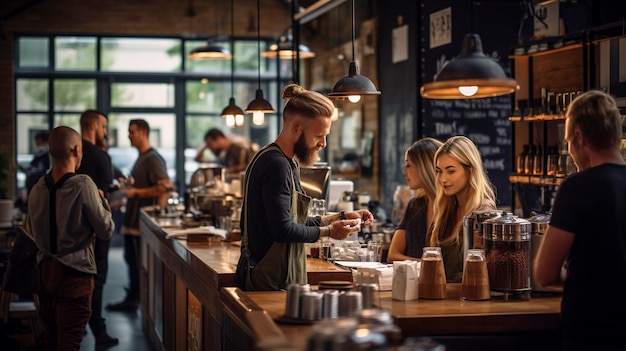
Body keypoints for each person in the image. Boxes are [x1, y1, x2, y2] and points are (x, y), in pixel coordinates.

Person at [235, 84, 374, 291]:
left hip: (277, 279)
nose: (324, 144)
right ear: (297, 128)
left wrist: (340, 217)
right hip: (267, 282)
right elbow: (283, 230)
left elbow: (295, 220)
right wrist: (329, 231)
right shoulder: (276, 165)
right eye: (319, 135)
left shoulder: (288, 162)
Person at [534, 90, 626, 350]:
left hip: (591, 332)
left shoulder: (578, 187)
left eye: (567, 143)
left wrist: (579, 277)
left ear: (579, 137)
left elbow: (544, 273)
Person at [24, 126, 114, 350]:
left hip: (44, 275)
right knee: (70, 341)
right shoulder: (83, 184)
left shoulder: (37, 188)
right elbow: (105, 229)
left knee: (52, 338)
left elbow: (31, 231)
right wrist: (102, 201)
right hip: (76, 275)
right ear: (76, 149)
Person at [106, 119, 172, 311]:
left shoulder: (152, 158)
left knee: (136, 263)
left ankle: (134, 299)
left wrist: (136, 193)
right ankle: (133, 297)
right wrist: (125, 196)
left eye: (131, 131)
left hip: (140, 224)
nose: (128, 135)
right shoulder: (142, 157)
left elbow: (165, 187)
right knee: (131, 261)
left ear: (143, 132)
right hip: (132, 221)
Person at [75, 109, 119, 349]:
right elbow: (102, 199)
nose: (105, 132)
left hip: (73, 230)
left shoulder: (75, 154)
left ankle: (78, 327)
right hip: (97, 229)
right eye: (103, 127)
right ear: (93, 125)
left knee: (79, 277)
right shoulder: (101, 156)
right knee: (98, 278)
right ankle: (98, 330)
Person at [428, 135, 497, 282]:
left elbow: (482, 273)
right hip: (440, 297)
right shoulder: (446, 208)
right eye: (439, 171)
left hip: (468, 298)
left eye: (451, 171)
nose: (443, 179)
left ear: (470, 170)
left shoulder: (483, 212)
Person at [386, 138, 442, 262]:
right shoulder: (415, 205)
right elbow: (393, 255)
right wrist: (428, 266)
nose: (404, 171)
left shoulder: (453, 206)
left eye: (408, 165)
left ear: (425, 167)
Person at [16, 130, 51, 214]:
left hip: (36, 182)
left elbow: (34, 172)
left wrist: (26, 188)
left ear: (40, 140)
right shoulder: (48, 152)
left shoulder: (42, 152)